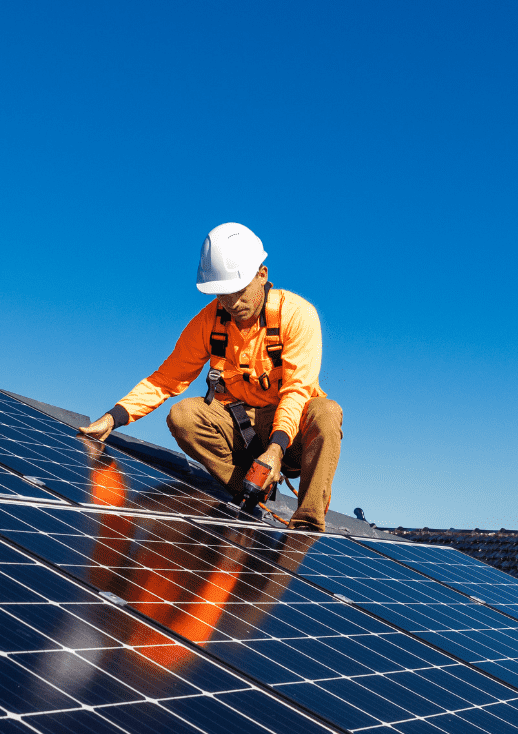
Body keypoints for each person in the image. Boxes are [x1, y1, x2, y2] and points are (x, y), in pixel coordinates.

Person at [79, 223, 342, 531]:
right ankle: (249, 490)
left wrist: (276, 448)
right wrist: (114, 417)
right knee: (183, 415)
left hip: (291, 433)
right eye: (223, 294)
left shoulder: (296, 315)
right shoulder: (209, 322)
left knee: (326, 413)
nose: (232, 303)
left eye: (239, 291)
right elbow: (166, 379)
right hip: (238, 426)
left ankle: (307, 524)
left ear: (262, 274)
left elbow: (297, 391)